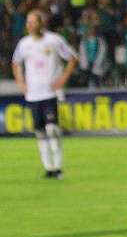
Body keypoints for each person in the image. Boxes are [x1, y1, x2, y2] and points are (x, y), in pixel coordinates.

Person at [11, 10, 78, 179]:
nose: (29, 25)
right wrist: (20, 82)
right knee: (40, 132)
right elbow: (15, 63)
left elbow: (72, 58)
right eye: (28, 22)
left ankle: (58, 167)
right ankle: (48, 168)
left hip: (50, 93)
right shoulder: (24, 44)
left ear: (41, 23)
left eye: (33, 22)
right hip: (33, 94)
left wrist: (63, 78)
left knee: (52, 129)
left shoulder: (54, 40)